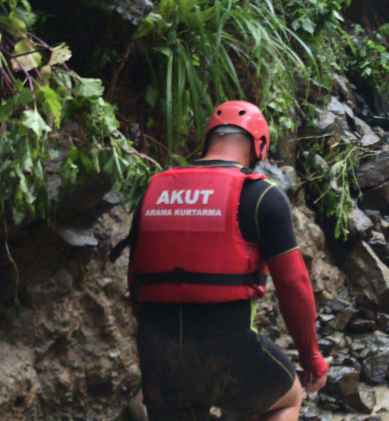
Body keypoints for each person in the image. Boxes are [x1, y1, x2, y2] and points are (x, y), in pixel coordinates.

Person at [111, 101, 328, 421]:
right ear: (261, 145)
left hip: (157, 350)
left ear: (207, 139)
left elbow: (135, 280)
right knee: (287, 398)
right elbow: (294, 284)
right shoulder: (261, 196)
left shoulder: (154, 190)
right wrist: (312, 360)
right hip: (226, 346)